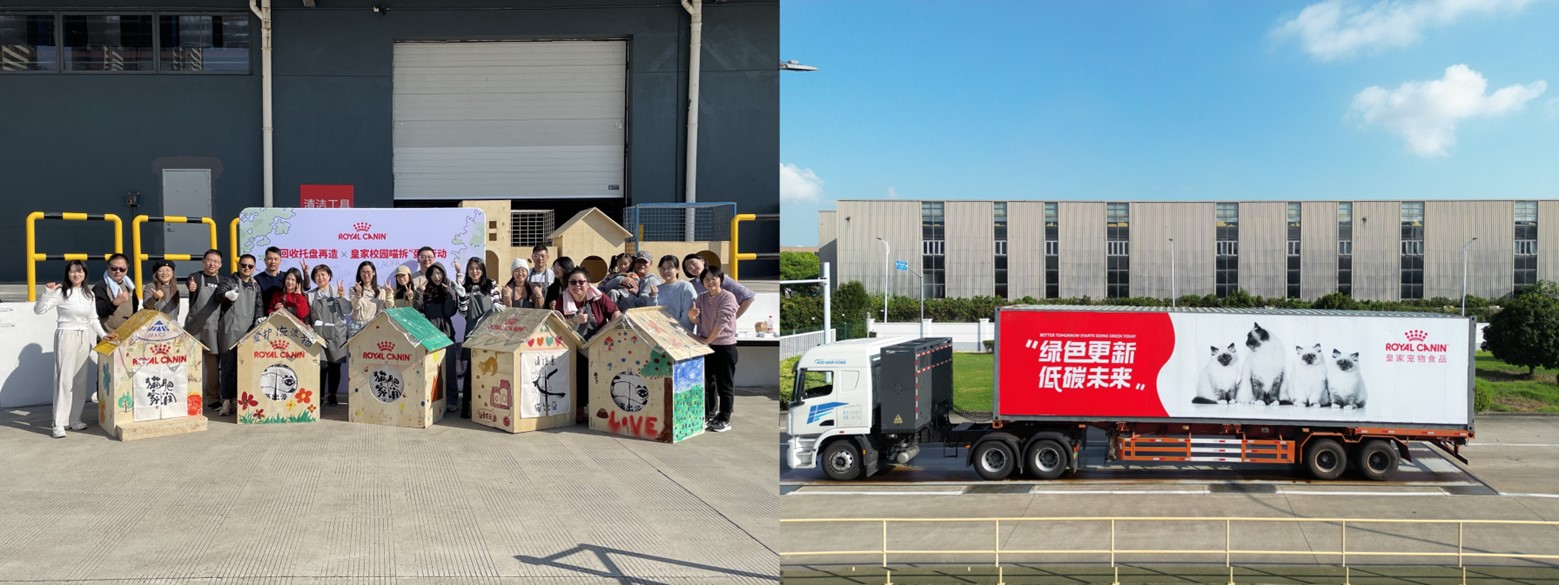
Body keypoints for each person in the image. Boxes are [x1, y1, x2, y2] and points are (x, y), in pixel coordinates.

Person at [34, 260, 115, 438]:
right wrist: (47, 293)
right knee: (64, 380)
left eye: (79, 271)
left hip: (83, 336)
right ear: (67, 274)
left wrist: (103, 334)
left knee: (79, 380)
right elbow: (39, 310)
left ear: (85, 273)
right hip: (66, 335)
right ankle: (59, 423)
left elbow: (93, 319)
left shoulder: (89, 295)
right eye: (72, 271)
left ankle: (74, 419)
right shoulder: (60, 292)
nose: (76, 274)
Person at [554, 266, 620, 422]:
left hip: (599, 345)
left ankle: (602, 408)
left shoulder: (599, 297)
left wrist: (610, 329)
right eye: (573, 282)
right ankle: (578, 410)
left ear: (588, 284)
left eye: (581, 282)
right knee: (579, 374)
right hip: (573, 347)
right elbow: (557, 326)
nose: (577, 285)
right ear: (567, 285)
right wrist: (574, 321)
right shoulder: (561, 301)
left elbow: (615, 312)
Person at [690, 265, 738, 433]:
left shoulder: (728, 297)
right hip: (707, 345)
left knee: (725, 385)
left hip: (725, 347)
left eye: (713, 278)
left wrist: (705, 341)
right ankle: (709, 415)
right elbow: (698, 321)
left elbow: (721, 324)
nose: (710, 282)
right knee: (708, 383)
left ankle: (725, 418)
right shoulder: (701, 297)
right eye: (706, 279)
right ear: (702, 282)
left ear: (721, 279)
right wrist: (692, 316)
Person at [216, 254, 264, 416]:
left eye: (250, 266)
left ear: (254, 268)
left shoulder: (255, 286)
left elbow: (258, 305)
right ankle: (227, 400)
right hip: (230, 329)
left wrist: (259, 319)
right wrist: (226, 295)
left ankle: (242, 400)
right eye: (244, 265)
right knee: (228, 366)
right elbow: (220, 293)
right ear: (238, 265)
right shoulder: (228, 281)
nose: (246, 268)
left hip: (248, 330)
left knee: (246, 366)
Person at [456, 257, 499, 418]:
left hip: (490, 333)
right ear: (468, 271)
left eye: (478, 268)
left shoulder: (491, 284)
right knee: (471, 372)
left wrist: (497, 306)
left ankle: (489, 407)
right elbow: (463, 312)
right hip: (472, 333)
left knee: (491, 370)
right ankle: (466, 407)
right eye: (471, 268)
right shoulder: (465, 287)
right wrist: (461, 296)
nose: (475, 271)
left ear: (483, 270)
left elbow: (497, 300)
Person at [184, 250, 225, 410]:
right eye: (209, 260)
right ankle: (187, 396)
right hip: (193, 328)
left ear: (220, 264)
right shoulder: (195, 277)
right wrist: (191, 286)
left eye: (216, 261)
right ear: (203, 261)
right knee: (189, 365)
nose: (212, 263)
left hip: (212, 329)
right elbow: (191, 284)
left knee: (212, 367)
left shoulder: (222, 280)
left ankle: (213, 398)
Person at [415, 262, 459, 412]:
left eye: (439, 273)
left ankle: (451, 400)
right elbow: (418, 309)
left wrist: (450, 293)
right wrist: (419, 292)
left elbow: (449, 312)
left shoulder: (448, 290)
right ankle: (431, 398)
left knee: (449, 368)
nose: (437, 276)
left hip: (445, 334)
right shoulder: (425, 290)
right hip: (429, 334)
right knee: (430, 369)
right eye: (433, 274)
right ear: (429, 276)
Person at [308, 265, 349, 406]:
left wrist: (342, 297)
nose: (321, 277)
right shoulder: (311, 295)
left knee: (335, 366)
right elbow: (307, 315)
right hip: (319, 336)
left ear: (329, 276)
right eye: (317, 275)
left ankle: (332, 395)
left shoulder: (338, 291)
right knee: (321, 366)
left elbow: (347, 310)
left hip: (337, 334)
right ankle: (319, 396)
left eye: (323, 274)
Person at [683, 254, 755, 319]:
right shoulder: (690, 285)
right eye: (688, 267)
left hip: (723, 328)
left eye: (693, 263)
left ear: (702, 261)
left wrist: (733, 318)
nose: (692, 267)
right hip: (703, 327)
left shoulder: (720, 278)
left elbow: (748, 297)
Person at [92, 253, 139, 332]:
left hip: (127, 334)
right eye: (114, 268)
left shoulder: (130, 286)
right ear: (108, 267)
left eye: (122, 269)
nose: (118, 271)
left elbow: (135, 309)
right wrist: (115, 303)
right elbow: (100, 312)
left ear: (127, 269)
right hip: (108, 336)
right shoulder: (101, 286)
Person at [654, 255, 697, 334]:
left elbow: (687, 312)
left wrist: (679, 331)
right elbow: (653, 311)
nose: (665, 271)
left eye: (669, 267)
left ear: (677, 269)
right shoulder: (657, 289)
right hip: (661, 333)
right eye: (662, 268)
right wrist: (652, 296)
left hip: (682, 334)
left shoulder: (685, 286)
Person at [349, 261, 388, 337]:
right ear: (359, 274)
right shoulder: (353, 289)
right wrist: (358, 294)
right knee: (356, 348)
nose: (366, 274)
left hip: (372, 325)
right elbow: (355, 307)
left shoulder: (380, 291)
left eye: (368, 272)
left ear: (374, 273)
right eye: (363, 272)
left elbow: (381, 311)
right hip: (356, 326)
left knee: (371, 349)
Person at [526, 244, 553, 310]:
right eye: (537, 256)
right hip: (529, 311)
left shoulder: (552, 275)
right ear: (532, 257)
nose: (540, 258)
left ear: (547, 257)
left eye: (542, 256)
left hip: (547, 310)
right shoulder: (527, 274)